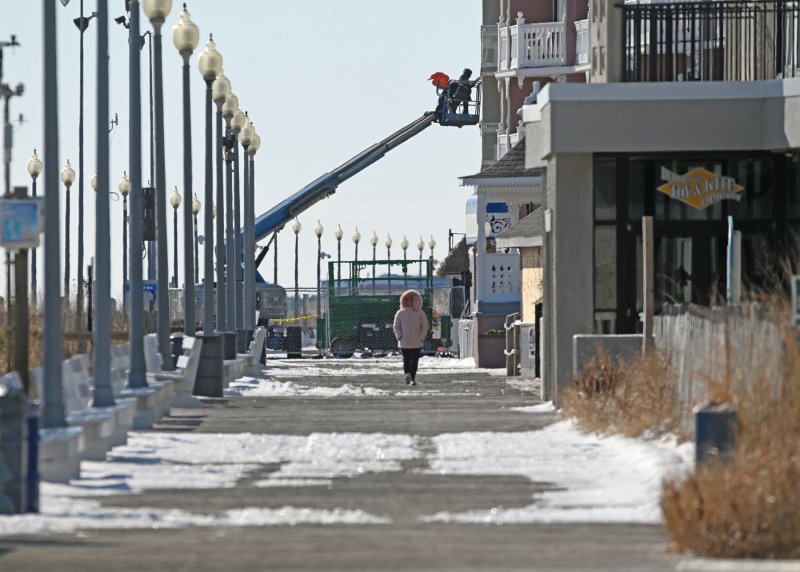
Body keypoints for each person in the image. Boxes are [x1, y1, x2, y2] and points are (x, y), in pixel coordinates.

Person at [393, 289, 428, 385]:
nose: (410, 301)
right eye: (408, 299)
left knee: (415, 361)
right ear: (404, 300)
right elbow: (396, 326)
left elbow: (425, 327)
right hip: (404, 342)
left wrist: (421, 338)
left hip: (417, 342)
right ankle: (407, 375)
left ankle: (413, 377)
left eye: (413, 299)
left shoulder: (420, 313)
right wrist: (399, 337)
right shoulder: (400, 313)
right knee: (407, 360)